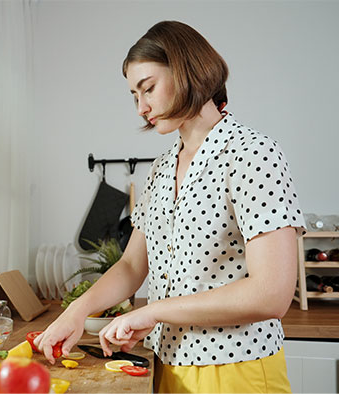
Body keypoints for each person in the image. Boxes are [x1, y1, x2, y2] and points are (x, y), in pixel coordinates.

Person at [33, 20, 306, 393]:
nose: (141, 107)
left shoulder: (252, 154)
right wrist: (75, 313)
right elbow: (132, 265)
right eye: (133, 95)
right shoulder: (162, 168)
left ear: (188, 72)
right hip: (167, 364)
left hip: (236, 369)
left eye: (148, 89)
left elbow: (271, 293)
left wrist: (153, 311)